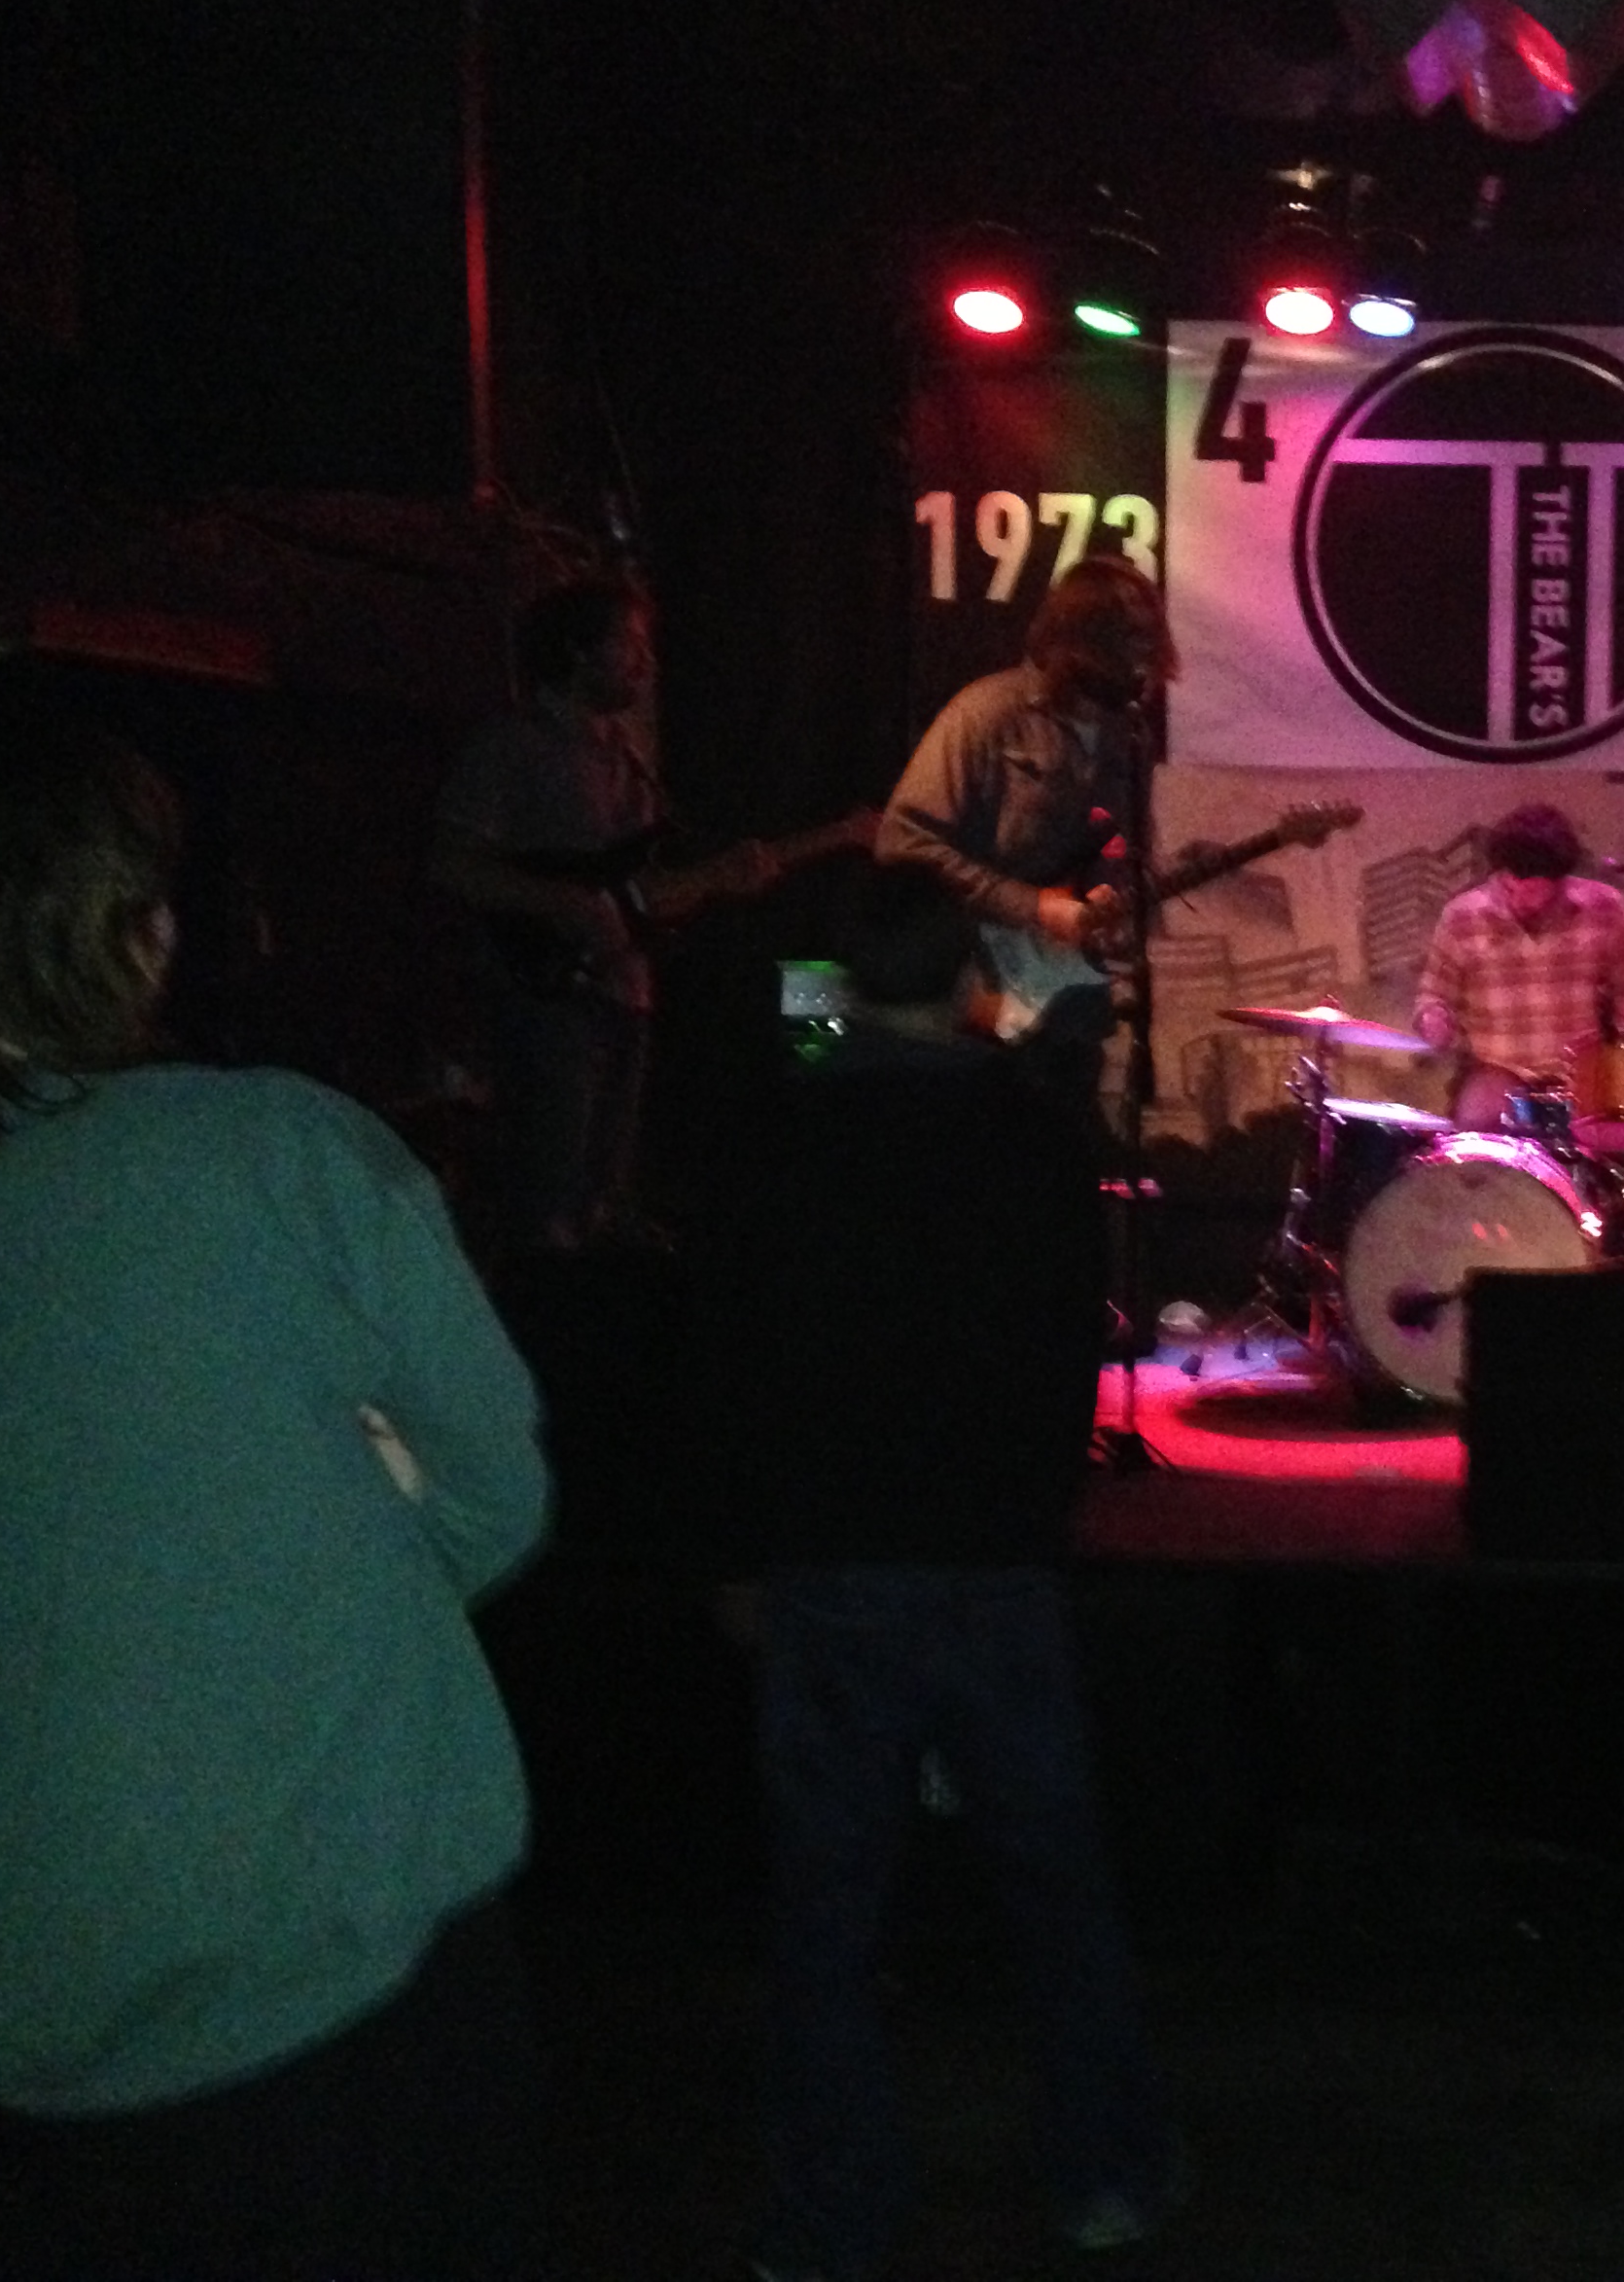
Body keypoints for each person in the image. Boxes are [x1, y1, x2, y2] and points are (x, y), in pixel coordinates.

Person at [0, 711, 551, 2279]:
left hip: (41, 2029)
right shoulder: (280, 1154)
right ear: (143, 932)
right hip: (348, 1966)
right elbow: (495, 1495)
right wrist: (334, 1521)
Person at [688, 989, 1181, 2277]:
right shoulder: (1022, 1131)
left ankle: (834, 2215)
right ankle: (1104, 2174)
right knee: (1054, 1886)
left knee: (829, 1907)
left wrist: (739, 1548)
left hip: (841, 1554)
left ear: (840, 991)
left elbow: (733, 1349)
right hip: (988, 1558)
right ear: (958, 983)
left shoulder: (792, 1129)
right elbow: (1071, 1334)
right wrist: (1040, 1512)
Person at [430, 574, 690, 1253]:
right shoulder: (510, 747)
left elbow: (640, 886)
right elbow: (451, 865)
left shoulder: (629, 765)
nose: (646, 662)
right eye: (629, 644)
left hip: (623, 993)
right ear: (578, 652)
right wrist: (564, 904)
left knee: (603, 1195)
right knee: (545, 1197)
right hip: (543, 999)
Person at [873, 553, 1170, 1067]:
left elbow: (1118, 845)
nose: (1143, 661)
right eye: (1129, 640)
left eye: (1149, 640)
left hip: (1068, 1012)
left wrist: (1111, 894)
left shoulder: (1128, 734)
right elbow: (903, 843)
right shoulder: (987, 715)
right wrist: (1034, 906)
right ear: (1083, 639)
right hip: (971, 994)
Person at [1411, 801, 1624, 1129]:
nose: (1517, 900)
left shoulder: (1607, 908)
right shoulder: (1462, 916)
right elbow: (1433, 995)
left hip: (1581, 1071)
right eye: (1508, 887)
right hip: (1495, 1070)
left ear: (1559, 881)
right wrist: (1434, 1020)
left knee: (1621, 1137)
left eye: (1532, 892)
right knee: (1478, 1133)